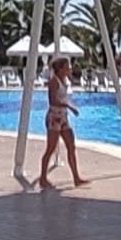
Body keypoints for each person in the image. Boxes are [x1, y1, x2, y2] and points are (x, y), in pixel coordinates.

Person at [38, 57, 88, 188]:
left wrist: (69, 105)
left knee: (71, 146)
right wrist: (69, 106)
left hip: (64, 118)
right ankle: (43, 178)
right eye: (67, 66)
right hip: (54, 118)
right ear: (60, 69)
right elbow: (53, 101)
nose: (69, 68)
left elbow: (64, 97)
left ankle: (76, 177)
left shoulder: (65, 81)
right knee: (50, 149)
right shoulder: (54, 82)